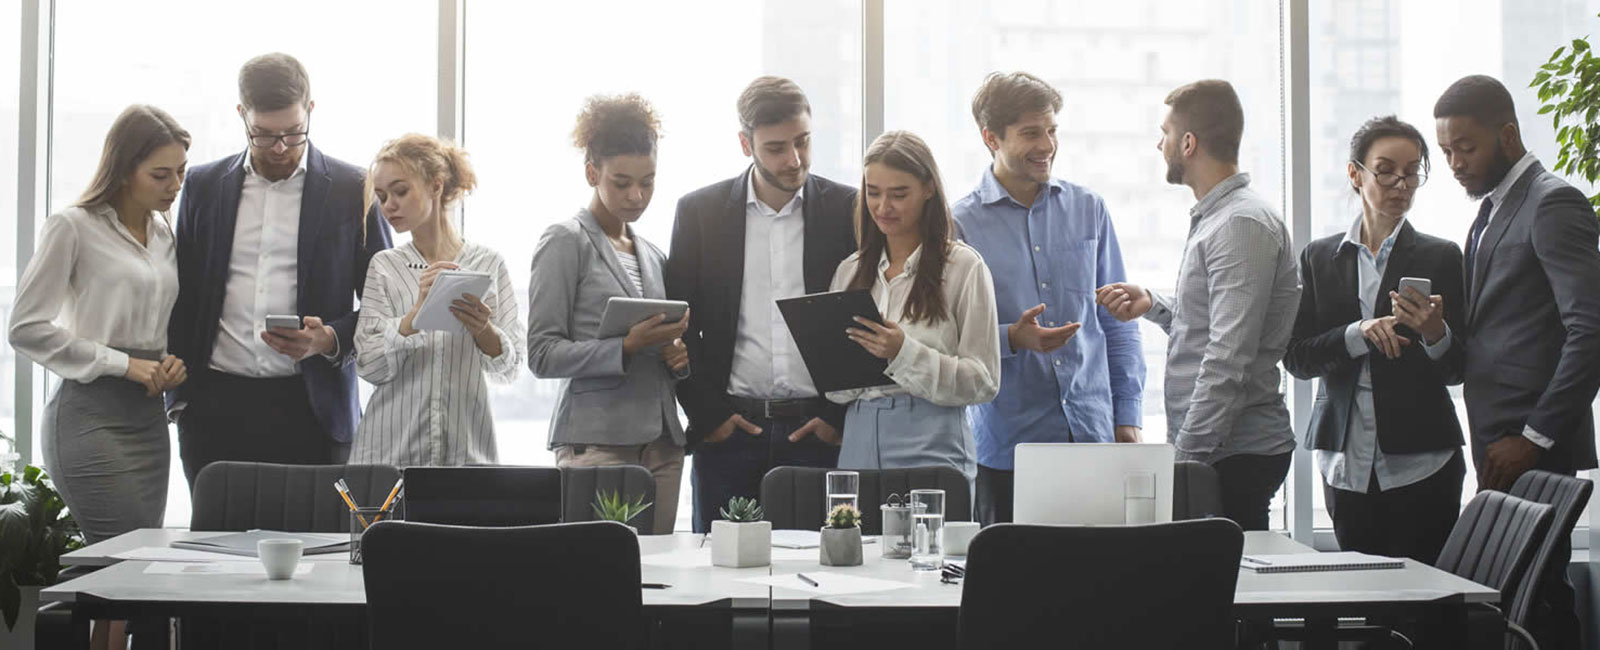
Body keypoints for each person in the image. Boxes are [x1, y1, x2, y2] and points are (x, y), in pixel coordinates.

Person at [10, 104, 189, 650]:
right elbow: (26, 327)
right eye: (161, 174)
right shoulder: (73, 226)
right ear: (123, 168)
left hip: (147, 417)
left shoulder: (164, 233)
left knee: (135, 572)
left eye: (181, 171)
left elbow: (155, 324)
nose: (174, 185)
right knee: (119, 560)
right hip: (88, 417)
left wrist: (167, 361)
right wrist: (121, 362)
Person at [166, 53, 391, 486]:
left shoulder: (352, 189)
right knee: (217, 550)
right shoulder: (203, 186)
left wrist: (330, 337)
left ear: (310, 110)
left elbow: (387, 303)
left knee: (319, 549)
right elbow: (185, 294)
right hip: (214, 410)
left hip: (313, 408)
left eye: (293, 133)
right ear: (241, 115)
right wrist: (181, 399)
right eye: (264, 136)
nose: (281, 148)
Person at [1434, 74, 1600, 649]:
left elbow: (1590, 331)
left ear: (1508, 135)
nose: (1454, 163)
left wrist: (1534, 437)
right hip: (1497, 443)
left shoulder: (1553, 203)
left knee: (1541, 599)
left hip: (1534, 447)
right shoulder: (1487, 214)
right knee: (1524, 598)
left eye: (1466, 147)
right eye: (1446, 151)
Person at [1096, 79, 1299, 531]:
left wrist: (1184, 460)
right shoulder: (1220, 219)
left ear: (1188, 143)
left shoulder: (1240, 224)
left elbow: (1229, 356)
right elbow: (1213, 326)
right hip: (1222, 451)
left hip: (1233, 453)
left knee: (1229, 595)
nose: (1159, 143)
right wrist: (1154, 305)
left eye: (1165, 132)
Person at [666, 76, 859, 533]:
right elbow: (676, 326)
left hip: (818, 433)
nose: (794, 160)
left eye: (803, 142)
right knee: (720, 584)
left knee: (824, 583)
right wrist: (708, 416)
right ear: (744, 143)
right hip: (729, 432)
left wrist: (835, 418)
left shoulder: (848, 209)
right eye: (776, 148)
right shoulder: (699, 213)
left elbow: (862, 319)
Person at [952, 71, 1145, 526]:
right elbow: (952, 338)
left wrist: (1128, 416)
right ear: (990, 138)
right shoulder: (959, 225)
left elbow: (1118, 321)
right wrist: (1012, 338)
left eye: (1052, 130)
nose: (1047, 145)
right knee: (1015, 587)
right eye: (1031, 133)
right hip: (1009, 447)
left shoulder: (1088, 208)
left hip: (1093, 438)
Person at [1283, 116, 1465, 564]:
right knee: (1364, 607)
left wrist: (1433, 332)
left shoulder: (1442, 256)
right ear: (1355, 174)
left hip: (1423, 460)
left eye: (1412, 172)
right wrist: (1356, 333)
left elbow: (1459, 368)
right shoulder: (1320, 257)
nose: (1401, 183)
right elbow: (1297, 358)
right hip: (1345, 463)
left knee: (1425, 606)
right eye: (1386, 170)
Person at [527, 94, 687, 534]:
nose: (637, 196)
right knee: (595, 580)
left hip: (663, 445)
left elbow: (660, 353)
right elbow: (541, 354)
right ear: (591, 173)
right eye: (621, 182)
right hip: (597, 442)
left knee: (661, 586)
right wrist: (625, 347)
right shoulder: (565, 241)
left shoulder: (652, 254)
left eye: (648, 182)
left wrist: (676, 357)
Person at [827, 130, 1000, 480]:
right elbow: (836, 389)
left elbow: (983, 381)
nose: (882, 207)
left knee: (930, 536)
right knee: (853, 536)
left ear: (928, 189)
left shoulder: (963, 268)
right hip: (858, 439)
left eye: (898, 194)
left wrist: (902, 352)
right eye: (873, 193)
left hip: (933, 440)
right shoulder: (849, 271)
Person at [349, 134, 523, 467]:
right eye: (382, 197)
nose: (388, 206)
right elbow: (368, 365)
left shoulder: (489, 264)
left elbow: (510, 369)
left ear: (436, 186)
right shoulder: (384, 267)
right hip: (389, 457)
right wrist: (413, 317)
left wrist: (483, 330)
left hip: (468, 459)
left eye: (400, 192)